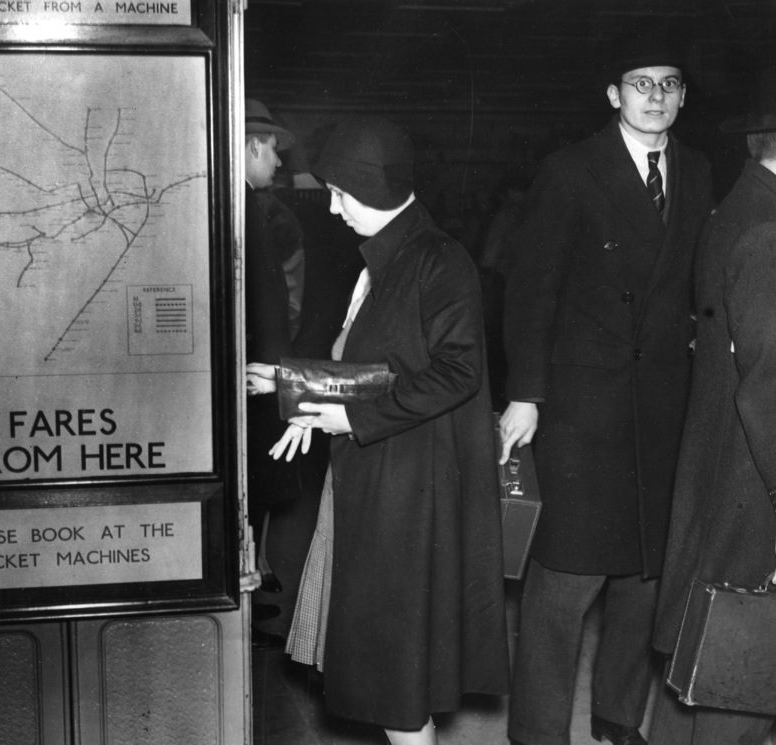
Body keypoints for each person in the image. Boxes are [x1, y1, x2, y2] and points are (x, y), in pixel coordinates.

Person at [251, 117, 509, 745]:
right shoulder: (390, 257)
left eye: (342, 194)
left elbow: (458, 372)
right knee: (391, 671)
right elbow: (382, 367)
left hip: (409, 493)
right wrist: (297, 387)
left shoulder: (439, 261)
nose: (333, 209)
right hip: (383, 482)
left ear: (375, 187)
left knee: (398, 675)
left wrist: (347, 416)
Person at [498, 35, 714, 745]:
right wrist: (525, 393)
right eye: (641, 82)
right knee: (565, 579)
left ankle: (620, 718)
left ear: (682, 97)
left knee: (645, 575)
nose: (656, 95)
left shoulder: (699, 170)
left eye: (670, 82)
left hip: (663, 403)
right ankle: (537, 731)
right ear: (614, 95)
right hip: (582, 411)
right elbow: (532, 290)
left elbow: (695, 285)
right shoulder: (570, 171)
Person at [647, 75, 776, 745]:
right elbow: (771, 385)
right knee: (743, 680)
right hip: (754, 484)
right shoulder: (769, 231)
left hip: (726, 472)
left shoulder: (739, 211)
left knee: (698, 661)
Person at [243, 99, 297, 633]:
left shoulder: (243, 203)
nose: (278, 163)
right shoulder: (246, 208)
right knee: (254, 484)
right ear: (254, 146)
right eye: (274, 151)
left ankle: (253, 585)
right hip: (257, 377)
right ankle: (248, 602)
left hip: (259, 372)